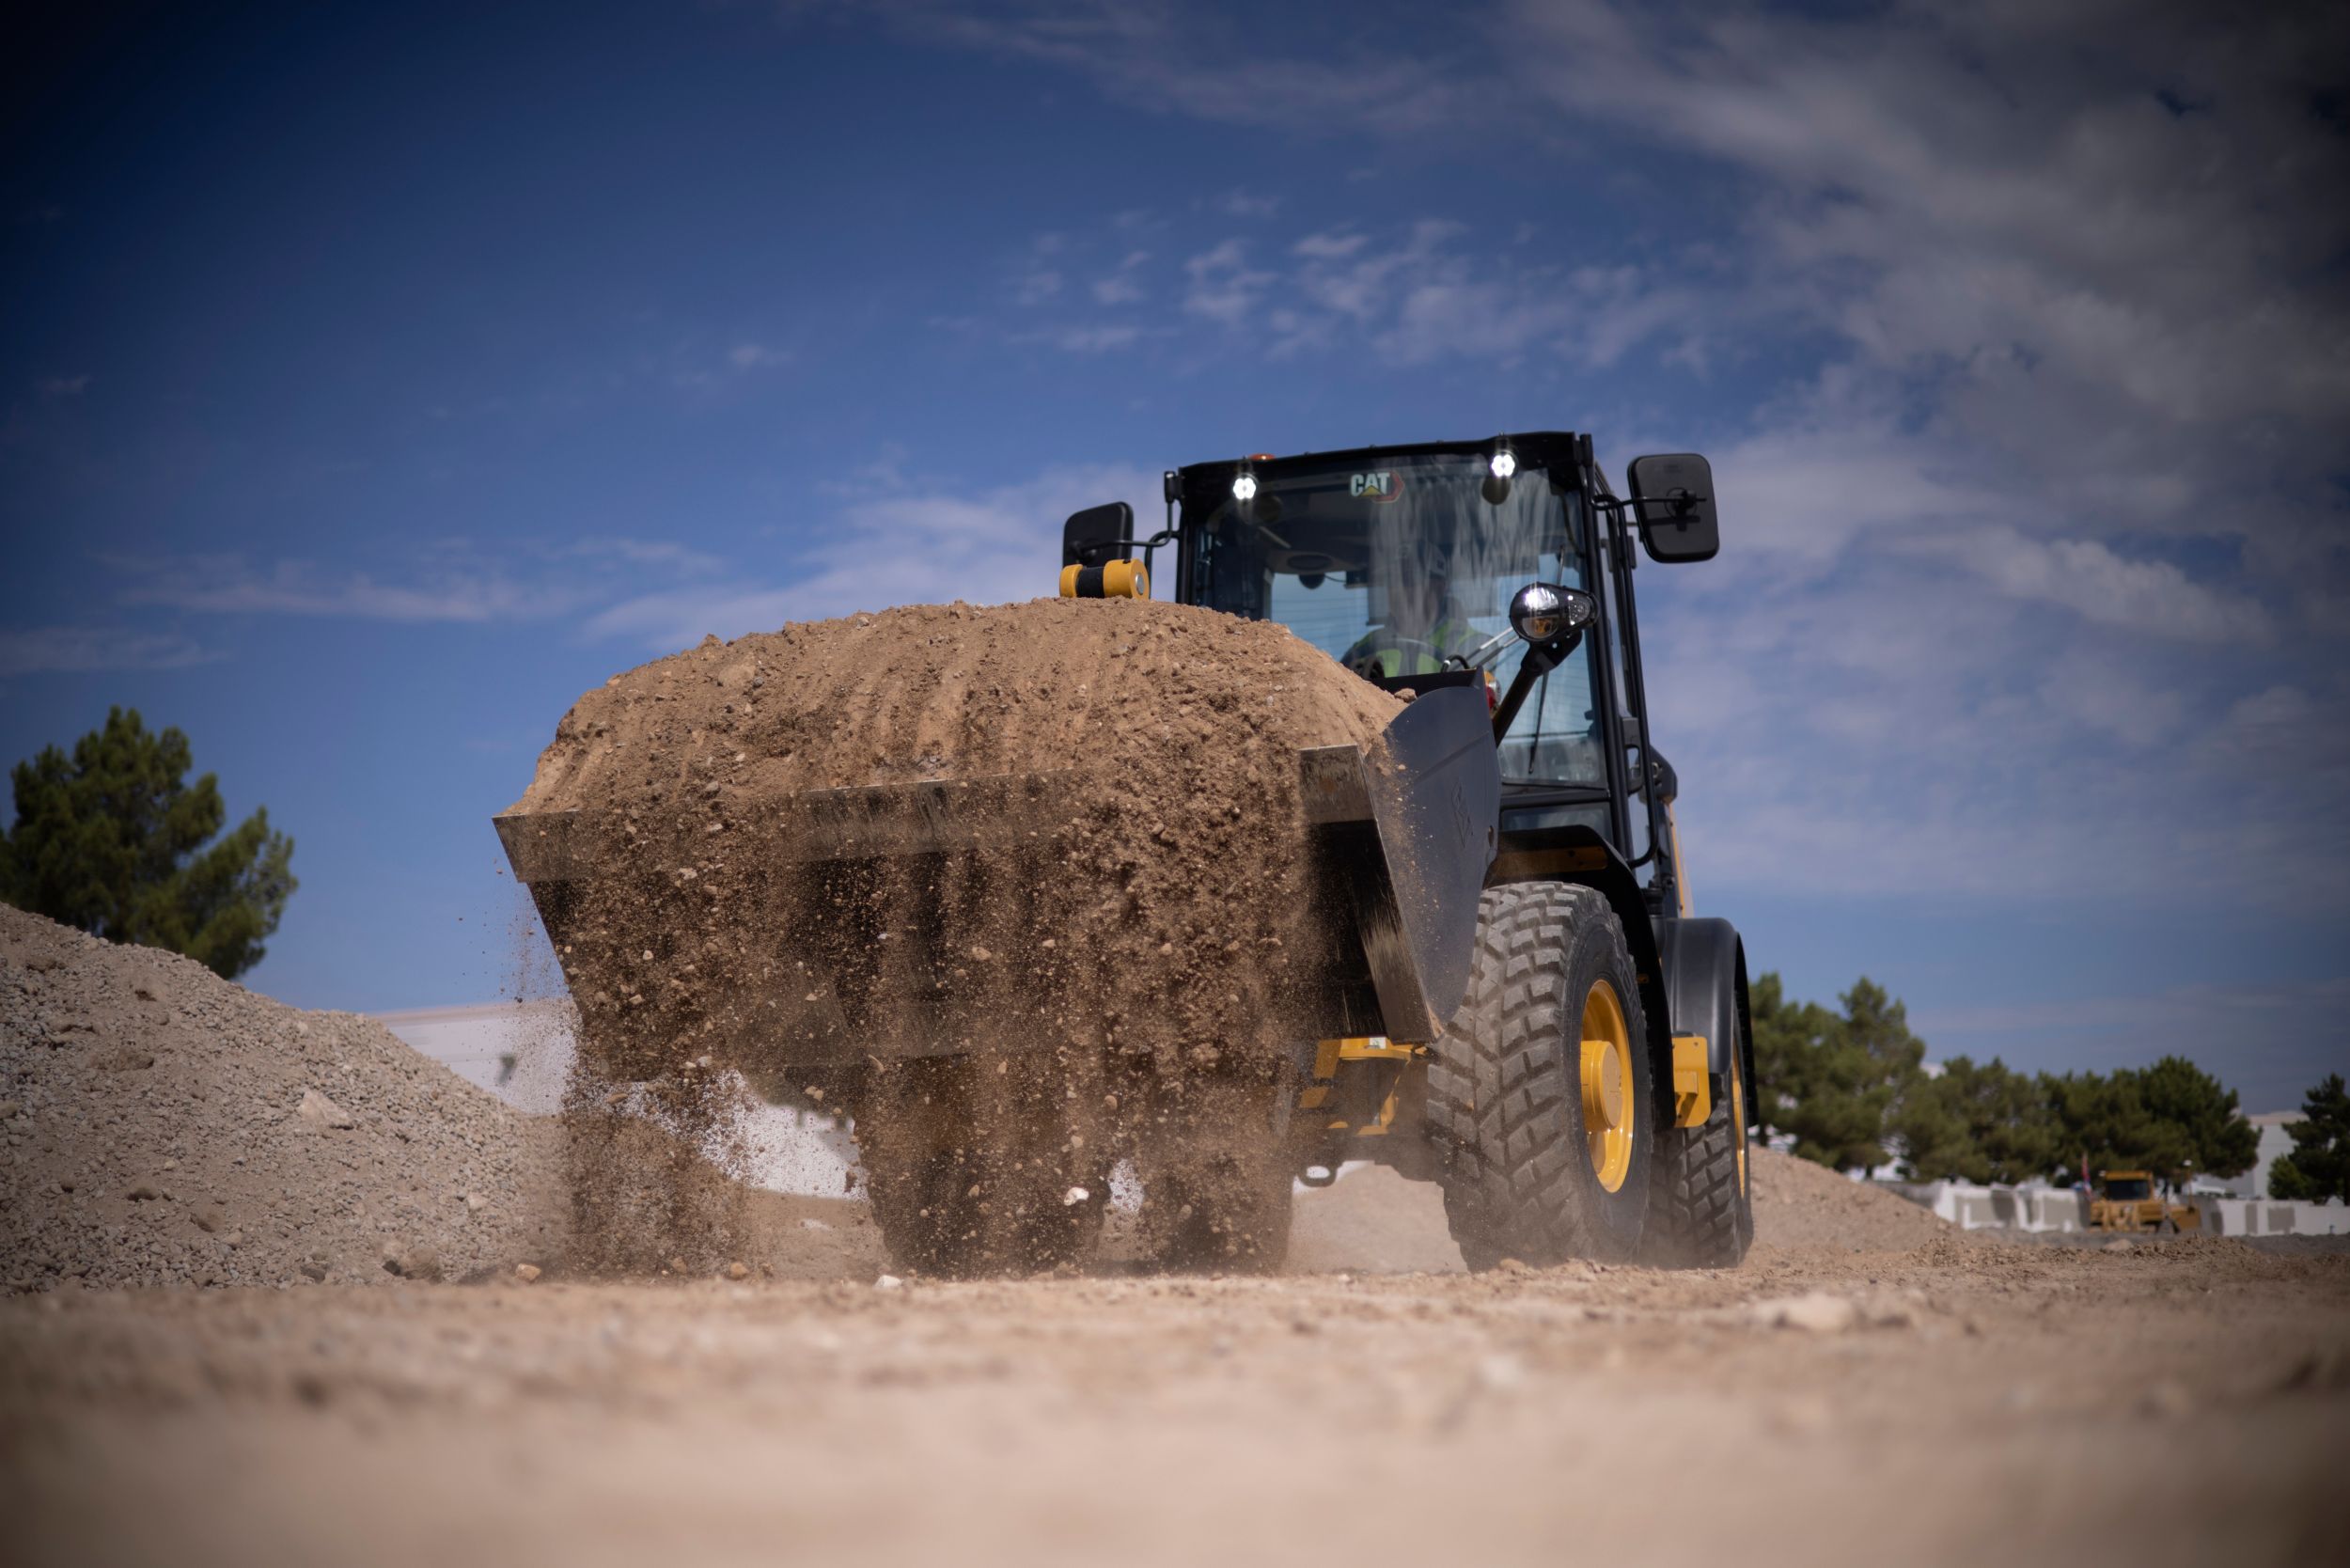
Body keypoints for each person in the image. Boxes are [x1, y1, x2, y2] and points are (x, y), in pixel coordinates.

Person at [1344, 557, 1480, 679]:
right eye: (1392, 581)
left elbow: (1475, 698)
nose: (1398, 590)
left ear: (1439, 587)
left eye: (1409, 580)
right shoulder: (1365, 646)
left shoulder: (1473, 643)